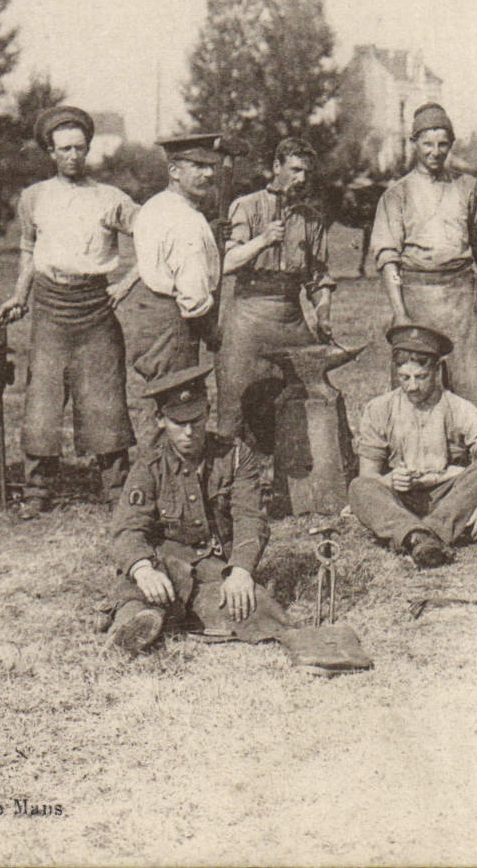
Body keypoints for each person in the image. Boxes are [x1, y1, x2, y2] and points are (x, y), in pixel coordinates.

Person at [0, 106, 139, 519]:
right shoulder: (34, 197)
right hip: (50, 309)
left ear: (89, 148)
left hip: (96, 308)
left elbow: (154, 233)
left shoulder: (110, 198)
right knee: (42, 399)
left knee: (106, 398)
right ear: (50, 152)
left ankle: (115, 489)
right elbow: (28, 249)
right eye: (63, 149)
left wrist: (127, 283)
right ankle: (37, 490)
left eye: (79, 148)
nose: (72, 156)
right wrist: (19, 295)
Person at [106, 362, 292, 654]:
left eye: (196, 419)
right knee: (140, 596)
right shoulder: (149, 465)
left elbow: (250, 517)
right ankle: (128, 630)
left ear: (207, 412)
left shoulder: (235, 456)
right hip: (165, 568)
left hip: (214, 569)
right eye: (179, 423)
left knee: (260, 608)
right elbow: (127, 528)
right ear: (161, 421)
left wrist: (241, 571)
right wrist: (143, 570)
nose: (189, 432)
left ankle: (168, 618)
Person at [369, 102, 477, 435]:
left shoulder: (469, 187)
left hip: (462, 299)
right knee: (416, 385)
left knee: (471, 382)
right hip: (416, 301)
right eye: (427, 143)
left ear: (452, 144)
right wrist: (400, 312)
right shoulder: (396, 195)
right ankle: (411, 458)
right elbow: (388, 258)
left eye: (443, 144)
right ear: (414, 143)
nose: (435, 151)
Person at [348, 324, 477, 569]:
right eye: (404, 378)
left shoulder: (460, 408)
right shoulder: (379, 409)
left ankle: (417, 536)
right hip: (401, 500)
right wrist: (390, 481)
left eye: (421, 377)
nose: (412, 387)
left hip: (449, 497)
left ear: (437, 370)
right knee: (358, 487)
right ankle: (430, 535)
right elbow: (368, 476)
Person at [217, 136, 335, 449]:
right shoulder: (247, 206)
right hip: (248, 318)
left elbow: (318, 278)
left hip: (290, 317)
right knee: (234, 410)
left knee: (311, 399)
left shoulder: (310, 219)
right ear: (276, 167)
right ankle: (231, 488)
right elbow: (227, 263)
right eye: (295, 170)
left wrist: (323, 315)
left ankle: (303, 482)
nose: (302, 179)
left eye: (307, 172)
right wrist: (263, 240)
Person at [118, 133, 224, 430]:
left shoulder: (155, 205)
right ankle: (159, 474)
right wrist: (212, 335)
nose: (208, 174)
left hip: (150, 318)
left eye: (211, 166)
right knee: (179, 407)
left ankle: (155, 471)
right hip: (174, 323)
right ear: (174, 171)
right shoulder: (186, 221)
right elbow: (193, 299)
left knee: (158, 401)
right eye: (197, 165)